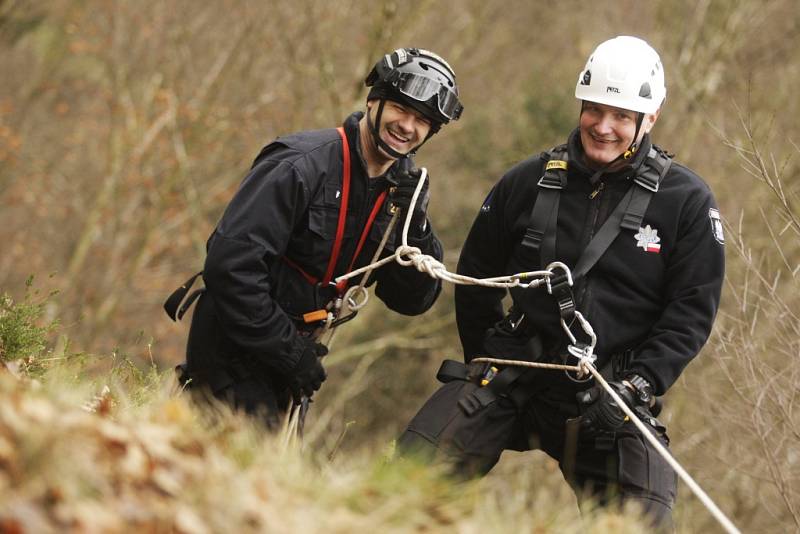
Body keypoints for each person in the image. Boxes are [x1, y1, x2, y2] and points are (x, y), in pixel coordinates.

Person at [398, 36, 724, 530]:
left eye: (620, 116)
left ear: (648, 119)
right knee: (409, 475)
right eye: (595, 110)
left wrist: (641, 383)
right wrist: (486, 356)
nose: (604, 127)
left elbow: (691, 313)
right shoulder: (526, 181)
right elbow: (477, 279)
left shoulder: (687, 202)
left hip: (610, 390)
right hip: (514, 370)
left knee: (644, 518)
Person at [165, 48, 463, 430]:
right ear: (374, 101)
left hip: (297, 354)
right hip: (235, 343)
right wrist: (289, 352)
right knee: (235, 467)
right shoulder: (299, 164)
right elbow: (230, 266)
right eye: (401, 110)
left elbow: (412, 300)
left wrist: (416, 225)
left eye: (422, 120)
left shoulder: (401, 193)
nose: (407, 126)